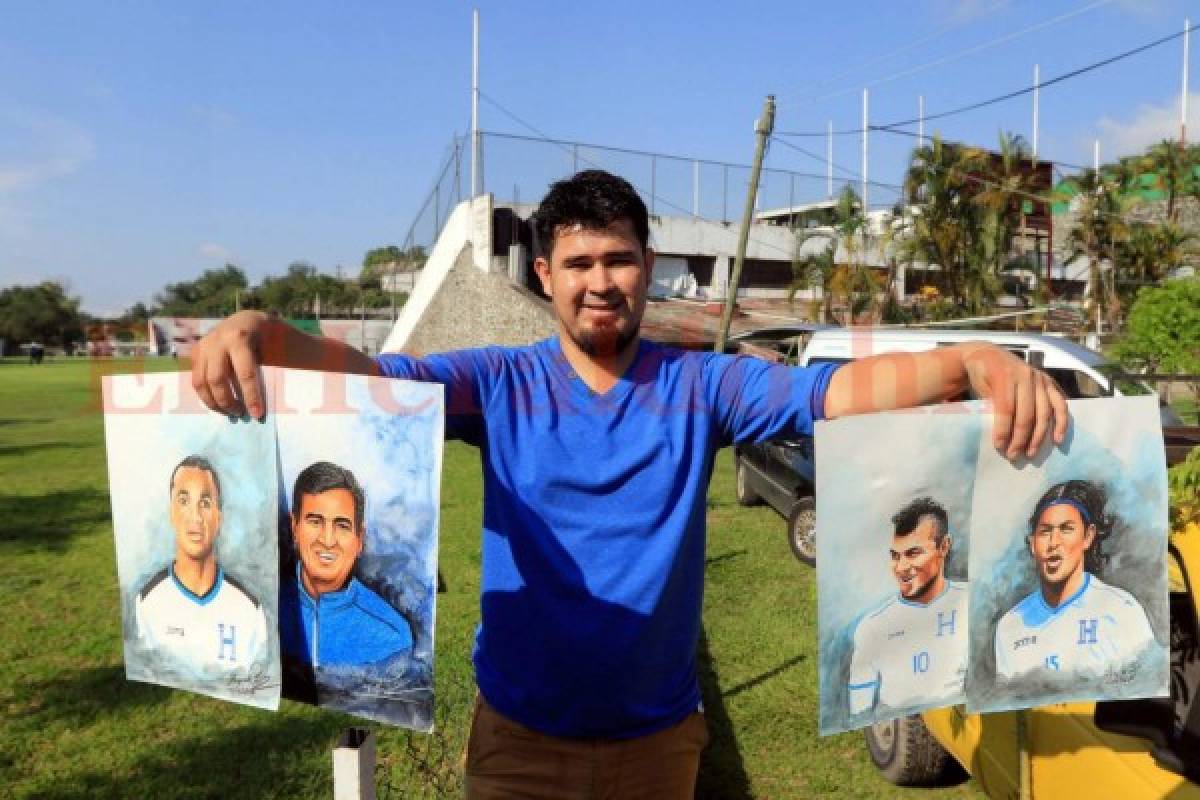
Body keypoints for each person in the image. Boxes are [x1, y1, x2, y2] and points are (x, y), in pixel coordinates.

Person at [191, 170, 1068, 798]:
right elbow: (375, 379)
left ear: (647, 266)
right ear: (545, 278)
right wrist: (263, 331)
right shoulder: (499, 383)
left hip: (659, 742)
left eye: (618, 260)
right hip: (517, 740)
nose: (600, 282)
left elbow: (829, 394)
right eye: (578, 265)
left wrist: (968, 360)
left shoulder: (704, 385)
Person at [993, 479, 1155, 682]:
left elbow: (1144, 689)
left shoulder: (1122, 610)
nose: (1053, 543)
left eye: (1066, 529)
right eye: (1045, 531)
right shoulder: (1010, 625)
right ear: (1033, 544)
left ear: (1088, 536)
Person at [279, 460, 414, 678]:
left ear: (359, 539)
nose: (328, 540)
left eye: (342, 525)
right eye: (315, 521)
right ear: (295, 528)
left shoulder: (392, 637)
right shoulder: (263, 610)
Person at [135, 455, 268, 671]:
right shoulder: (146, 603)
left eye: (205, 503)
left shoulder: (250, 610)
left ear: (219, 518)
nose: (195, 517)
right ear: (171, 513)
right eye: (184, 501)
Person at [848, 497, 967, 715]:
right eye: (895, 556)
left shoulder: (974, 602)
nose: (901, 567)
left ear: (944, 547)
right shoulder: (873, 627)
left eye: (913, 553)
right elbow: (860, 713)